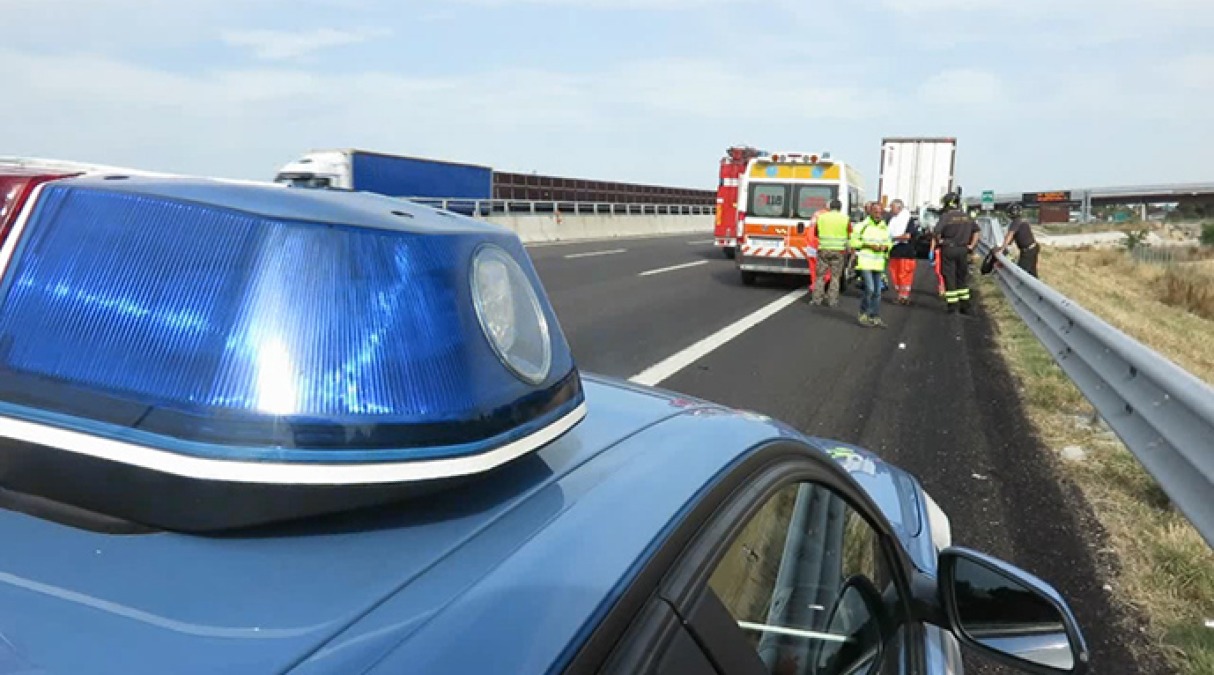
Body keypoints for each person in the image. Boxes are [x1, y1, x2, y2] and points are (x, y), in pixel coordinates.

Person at [935, 192, 980, 314]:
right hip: (963, 249)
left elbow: (936, 231)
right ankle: (965, 306)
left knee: (949, 276)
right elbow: (976, 231)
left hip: (949, 249)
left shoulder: (946, 216)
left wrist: (940, 241)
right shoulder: (966, 216)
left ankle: (952, 305)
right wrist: (971, 246)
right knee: (961, 277)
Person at [850, 202, 892, 327]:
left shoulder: (884, 227)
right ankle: (863, 313)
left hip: (878, 263)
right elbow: (853, 242)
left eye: (880, 212)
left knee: (878, 292)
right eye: (875, 211)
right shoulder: (862, 226)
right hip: (866, 262)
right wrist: (868, 245)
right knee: (870, 289)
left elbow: (889, 243)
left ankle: (875, 316)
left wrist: (885, 247)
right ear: (870, 212)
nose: (878, 214)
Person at [810, 199, 851, 307]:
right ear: (840, 208)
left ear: (829, 207)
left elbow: (816, 232)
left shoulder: (822, 217)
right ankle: (832, 301)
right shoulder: (845, 219)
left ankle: (816, 299)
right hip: (838, 251)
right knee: (835, 277)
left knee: (820, 276)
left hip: (823, 249)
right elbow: (849, 233)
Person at [885, 199, 915, 304]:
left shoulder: (908, 220)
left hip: (906, 252)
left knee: (904, 275)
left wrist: (894, 238)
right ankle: (900, 295)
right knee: (895, 275)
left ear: (899, 207)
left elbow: (907, 236)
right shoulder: (893, 220)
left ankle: (904, 296)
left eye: (892, 207)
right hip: (894, 252)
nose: (890, 209)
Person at [998, 202, 1039, 277]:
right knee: (1032, 272)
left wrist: (1002, 249)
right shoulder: (1021, 221)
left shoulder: (1015, 222)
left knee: (1020, 273)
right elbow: (1010, 241)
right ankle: (1036, 286)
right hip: (1033, 248)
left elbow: (1010, 235)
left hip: (1027, 250)